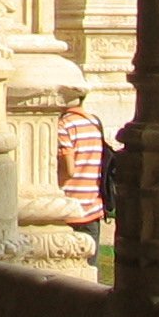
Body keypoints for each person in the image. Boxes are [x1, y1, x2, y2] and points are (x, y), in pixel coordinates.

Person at [58, 87, 110, 266]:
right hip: (92, 207)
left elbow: (69, 170)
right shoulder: (94, 122)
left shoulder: (64, 125)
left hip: (69, 207)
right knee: (89, 271)